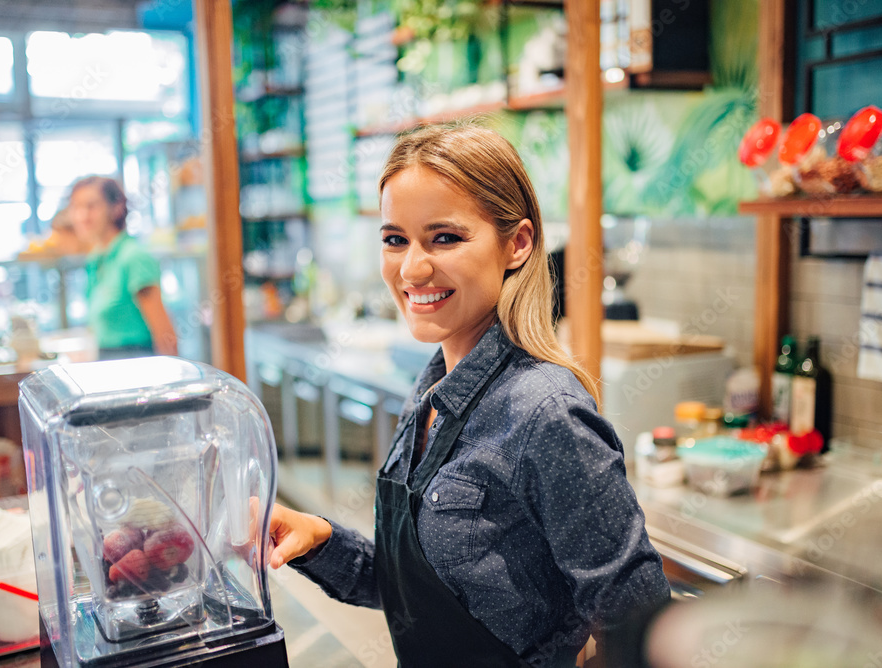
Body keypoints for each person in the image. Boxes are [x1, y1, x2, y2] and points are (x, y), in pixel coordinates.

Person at [265, 125, 670, 667]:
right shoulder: (431, 391)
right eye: (395, 239)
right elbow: (425, 596)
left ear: (518, 244)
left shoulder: (545, 412)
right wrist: (319, 541)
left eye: (445, 238)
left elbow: (639, 630)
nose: (412, 268)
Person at [68, 176, 178, 360]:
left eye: (91, 206)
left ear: (116, 208)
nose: (82, 216)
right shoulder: (96, 258)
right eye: (76, 207)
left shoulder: (133, 257)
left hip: (136, 367)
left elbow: (166, 336)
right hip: (108, 365)